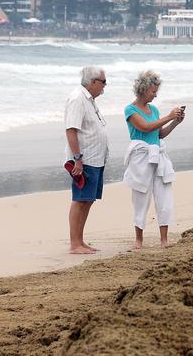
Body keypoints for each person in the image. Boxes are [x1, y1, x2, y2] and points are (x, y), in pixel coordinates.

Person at [123, 70, 184, 248]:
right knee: (140, 197)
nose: (156, 94)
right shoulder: (130, 109)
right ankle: (139, 239)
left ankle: (164, 240)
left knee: (164, 196)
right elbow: (146, 127)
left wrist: (175, 122)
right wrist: (169, 116)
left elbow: (159, 134)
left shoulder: (154, 109)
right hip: (140, 157)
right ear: (142, 89)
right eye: (153, 91)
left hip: (157, 154)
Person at [64, 66, 109, 254]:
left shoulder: (89, 99)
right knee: (80, 200)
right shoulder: (77, 99)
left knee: (88, 200)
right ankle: (74, 244)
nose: (105, 86)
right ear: (92, 82)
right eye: (103, 82)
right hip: (84, 159)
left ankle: (80, 241)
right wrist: (77, 159)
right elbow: (71, 130)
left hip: (96, 158)